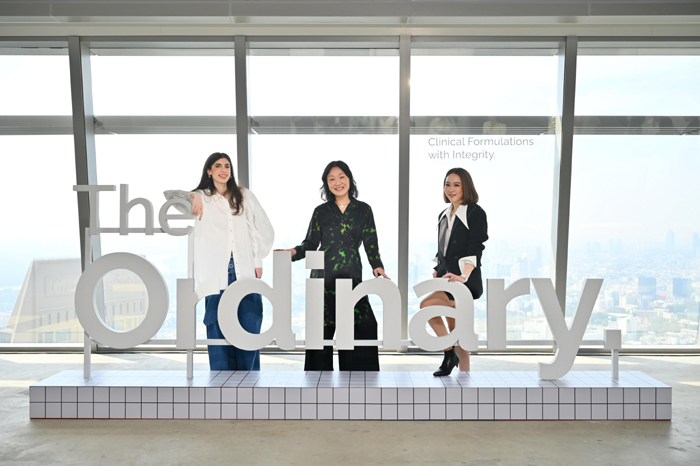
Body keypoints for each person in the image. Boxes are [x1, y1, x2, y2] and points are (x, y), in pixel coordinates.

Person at [165, 152, 273, 371]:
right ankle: (221, 382)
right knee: (216, 329)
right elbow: (169, 195)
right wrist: (193, 196)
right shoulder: (202, 197)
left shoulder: (243, 195)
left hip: (244, 270)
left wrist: (257, 260)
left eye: (227, 166)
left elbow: (257, 228)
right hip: (215, 273)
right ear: (209, 171)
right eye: (218, 166)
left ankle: (249, 380)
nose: (224, 170)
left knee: (250, 325)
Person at [278, 161, 389, 371]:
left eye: (341, 177)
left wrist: (377, 265)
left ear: (349, 179)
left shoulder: (363, 210)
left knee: (364, 327)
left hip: (352, 277)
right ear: (326, 184)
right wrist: (294, 252)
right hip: (323, 278)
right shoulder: (321, 211)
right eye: (331, 179)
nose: (337, 182)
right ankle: (318, 384)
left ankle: (359, 382)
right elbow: (310, 243)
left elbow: (371, 242)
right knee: (320, 333)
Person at [421, 167, 488, 376]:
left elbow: (475, 247)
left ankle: (449, 354)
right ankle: (463, 378)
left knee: (426, 306)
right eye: (447, 184)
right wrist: (436, 269)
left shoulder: (474, 212)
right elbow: (443, 248)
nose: (451, 189)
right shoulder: (443, 214)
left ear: (465, 187)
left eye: (456, 184)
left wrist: (464, 275)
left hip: (463, 281)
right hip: (447, 279)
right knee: (458, 335)